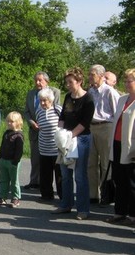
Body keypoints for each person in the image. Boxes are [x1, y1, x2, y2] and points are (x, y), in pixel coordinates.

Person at [53, 67, 94, 220]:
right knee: (65, 173)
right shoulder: (68, 97)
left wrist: (70, 136)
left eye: (71, 82)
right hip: (66, 139)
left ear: (79, 82)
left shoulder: (88, 99)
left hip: (80, 139)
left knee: (80, 175)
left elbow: (85, 122)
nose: (68, 85)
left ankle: (83, 209)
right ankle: (65, 204)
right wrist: (60, 133)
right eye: (67, 82)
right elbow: (63, 115)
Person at [105, 68, 135, 225]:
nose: (127, 83)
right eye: (126, 80)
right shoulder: (122, 99)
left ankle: (133, 214)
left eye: (130, 81)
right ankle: (119, 212)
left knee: (132, 182)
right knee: (119, 179)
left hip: (132, 147)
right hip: (117, 144)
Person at [87, 65, 120, 205]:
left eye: (92, 74)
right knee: (91, 163)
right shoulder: (90, 91)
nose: (89, 76)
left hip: (106, 127)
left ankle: (106, 195)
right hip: (91, 127)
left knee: (106, 163)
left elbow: (117, 113)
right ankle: (93, 195)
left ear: (101, 75)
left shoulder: (110, 92)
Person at [23, 72, 61, 189]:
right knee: (35, 158)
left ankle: (52, 186)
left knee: (53, 161)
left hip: (51, 132)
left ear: (46, 81)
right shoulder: (31, 93)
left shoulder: (55, 92)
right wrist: (32, 123)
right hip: (35, 130)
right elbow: (26, 112)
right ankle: (34, 181)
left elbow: (57, 110)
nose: (38, 82)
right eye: (36, 80)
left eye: (40, 80)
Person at [35, 88, 63, 202]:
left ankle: (63, 196)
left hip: (56, 148)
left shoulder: (58, 109)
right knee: (45, 174)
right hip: (43, 147)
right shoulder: (39, 111)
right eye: (40, 100)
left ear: (51, 100)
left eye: (45, 100)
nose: (42, 103)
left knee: (59, 174)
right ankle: (46, 195)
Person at [0, 112, 24, 208]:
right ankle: (2, 196)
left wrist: (15, 162)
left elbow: (19, 151)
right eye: (8, 121)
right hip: (3, 160)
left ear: (18, 122)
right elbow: (2, 146)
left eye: (12, 121)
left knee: (14, 180)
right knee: (3, 180)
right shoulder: (6, 133)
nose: (9, 123)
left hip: (13, 162)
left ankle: (15, 197)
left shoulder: (19, 136)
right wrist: (0, 158)